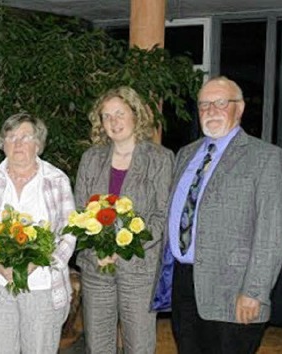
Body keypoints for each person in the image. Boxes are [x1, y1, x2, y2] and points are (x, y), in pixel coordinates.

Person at [151, 76, 282, 353]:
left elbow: (272, 234)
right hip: (184, 285)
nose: (211, 111)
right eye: (204, 105)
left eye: (220, 103)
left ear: (239, 109)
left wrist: (255, 291)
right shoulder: (185, 154)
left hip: (234, 287)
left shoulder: (265, 157)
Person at [74, 86, 174, 354]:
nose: (113, 122)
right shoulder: (91, 158)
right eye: (106, 116)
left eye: (120, 113)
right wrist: (100, 249)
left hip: (139, 268)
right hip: (97, 267)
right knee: (97, 346)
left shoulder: (160, 159)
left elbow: (161, 216)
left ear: (136, 114)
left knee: (139, 346)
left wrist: (122, 247)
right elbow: (79, 213)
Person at [0, 113, 76, 354]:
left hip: (42, 288)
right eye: (11, 137)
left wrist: (37, 262)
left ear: (38, 144)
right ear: (2, 144)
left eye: (25, 137)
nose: (17, 143)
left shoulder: (56, 180)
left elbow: (69, 234)